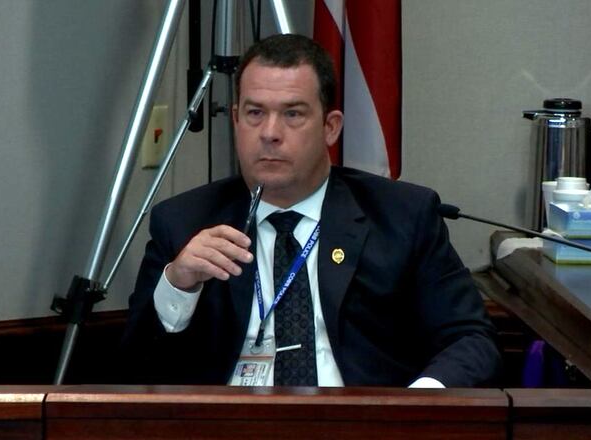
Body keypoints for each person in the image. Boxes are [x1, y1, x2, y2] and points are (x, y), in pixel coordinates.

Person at [121, 34, 501, 387]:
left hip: (363, 428)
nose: (270, 132)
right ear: (236, 119)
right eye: (254, 113)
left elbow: (471, 339)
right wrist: (179, 284)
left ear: (330, 127)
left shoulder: (402, 216)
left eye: (293, 114)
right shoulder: (184, 222)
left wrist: (414, 407)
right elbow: (134, 368)